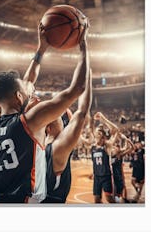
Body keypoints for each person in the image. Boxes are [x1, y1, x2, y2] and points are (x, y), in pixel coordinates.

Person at [0, 15, 89, 203]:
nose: (28, 88)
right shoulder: (28, 121)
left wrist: (41, 50)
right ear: (19, 96)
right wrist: (84, 45)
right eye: (23, 90)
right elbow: (78, 88)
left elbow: (27, 82)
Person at [41, 68, 92, 203]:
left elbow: (82, 115)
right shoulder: (57, 148)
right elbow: (81, 112)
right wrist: (86, 79)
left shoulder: (44, 142)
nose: (56, 113)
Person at [90, 112, 119, 203]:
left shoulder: (107, 146)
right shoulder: (93, 147)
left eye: (98, 133)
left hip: (106, 176)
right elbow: (94, 162)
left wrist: (103, 118)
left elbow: (116, 130)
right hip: (97, 177)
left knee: (109, 198)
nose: (96, 134)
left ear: (102, 136)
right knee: (96, 199)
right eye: (96, 133)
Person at [110, 133, 134, 203]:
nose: (114, 148)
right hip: (112, 177)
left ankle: (124, 200)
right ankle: (119, 200)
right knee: (114, 193)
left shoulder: (120, 155)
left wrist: (127, 140)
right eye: (114, 147)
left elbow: (132, 148)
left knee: (120, 191)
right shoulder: (110, 155)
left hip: (119, 176)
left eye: (116, 147)